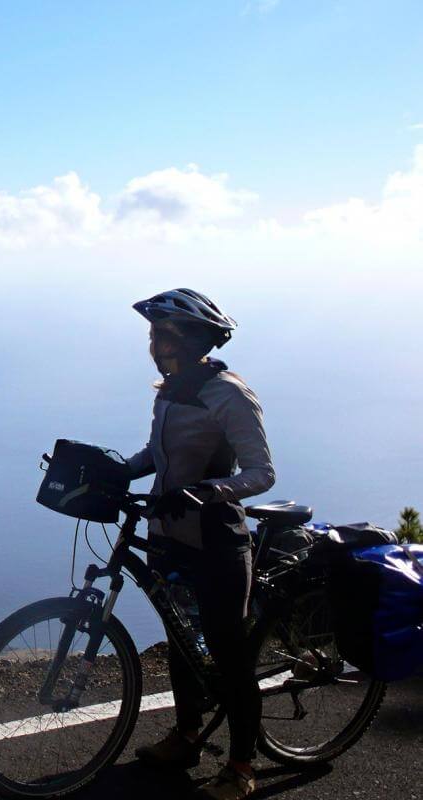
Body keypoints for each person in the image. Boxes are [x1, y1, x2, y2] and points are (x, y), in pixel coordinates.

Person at [125, 289, 275, 800]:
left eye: (165, 335)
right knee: (181, 643)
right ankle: (186, 736)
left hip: (216, 540)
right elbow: (157, 453)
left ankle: (240, 767)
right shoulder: (169, 391)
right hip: (169, 534)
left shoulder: (228, 393)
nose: (156, 344)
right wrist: (118, 469)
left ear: (195, 340)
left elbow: (261, 472)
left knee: (229, 654)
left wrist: (209, 491)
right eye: (153, 335)